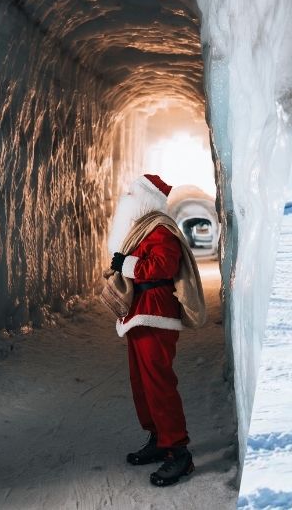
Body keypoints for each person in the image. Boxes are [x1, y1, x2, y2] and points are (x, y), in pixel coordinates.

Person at [107, 174, 205, 487]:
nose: (126, 195)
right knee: (141, 381)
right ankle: (158, 438)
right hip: (140, 312)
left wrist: (126, 265)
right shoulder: (143, 227)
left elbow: (164, 265)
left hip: (155, 312)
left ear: (145, 198)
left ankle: (179, 452)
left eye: (131, 192)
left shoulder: (161, 228)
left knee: (158, 382)